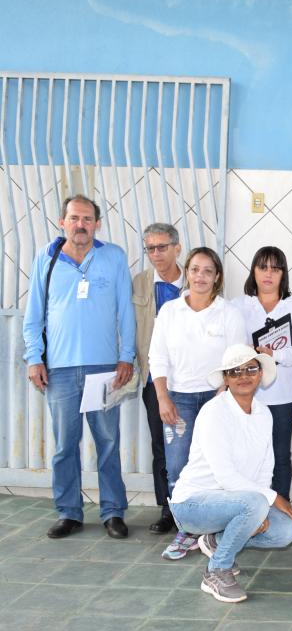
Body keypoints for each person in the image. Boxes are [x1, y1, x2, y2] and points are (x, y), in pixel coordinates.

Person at [23, 195, 136, 539]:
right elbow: (33, 316)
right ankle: (69, 512)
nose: (81, 224)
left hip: (104, 367)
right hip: (59, 370)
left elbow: (126, 311)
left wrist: (127, 355)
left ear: (97, 224)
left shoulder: (113, 256)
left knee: (108, 442)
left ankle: (113, 512)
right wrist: (33, 357)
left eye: (87, 219)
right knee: (64, 446)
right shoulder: (47, 257)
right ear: (62, 221)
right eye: (74, 218)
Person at [169, 344, 292, 603]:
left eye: (251, 369)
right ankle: (216, 571)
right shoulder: (214, 412)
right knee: (256, 503)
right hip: (192, 504)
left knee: (286, 531)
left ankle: (216, 541)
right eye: (235, 371)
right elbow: (226, 477)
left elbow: (264, 469)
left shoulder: (263, 414)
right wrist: (270, 499)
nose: (244, 376)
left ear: (260, 374)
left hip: (238, 502)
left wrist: (261, 505)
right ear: (226, 379)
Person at [149, 247, 248, 559]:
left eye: (208, 270)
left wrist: (223, 397)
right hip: (178, 401)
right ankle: (187, 532)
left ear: (217, 276)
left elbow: (238, 360)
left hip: (217, 399)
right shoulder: (169, 312)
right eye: (195, 269)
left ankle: (215, 531)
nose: (201, 276)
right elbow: (157, 358)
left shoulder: (229, 313)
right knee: (178, 468)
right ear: (187, 273)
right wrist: (162, 398)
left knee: (219, 467)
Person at [237, 246, 292, 502]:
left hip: (282, 396)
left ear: (283, 273)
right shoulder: (238, 306)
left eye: (275, 268)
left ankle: (281, 511)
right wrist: (245, 353)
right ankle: (250, 512)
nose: (268, 273)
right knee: (246, 455)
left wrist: (276, 356)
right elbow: (229, 349)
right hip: (245, 395)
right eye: (262, 267)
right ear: (253, 272)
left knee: (280, 455)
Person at [133, 222, 183, 535]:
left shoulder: (196, 279)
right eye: (150, 248)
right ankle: (168, 509)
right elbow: (128, 324)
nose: (156, 254)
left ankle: (193, 507)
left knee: (191, 445)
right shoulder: (139, 282)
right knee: (161, 446)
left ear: (177, 248)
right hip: (155, 379)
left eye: (162, 247)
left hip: (193, 380)